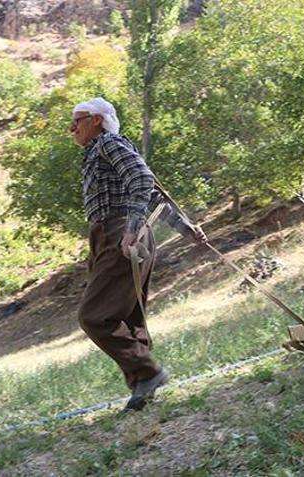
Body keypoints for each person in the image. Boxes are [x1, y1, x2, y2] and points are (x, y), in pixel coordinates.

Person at [70, 97, 207, 411]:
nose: (71, 128)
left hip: (121, 235)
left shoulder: (109, 143)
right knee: (129, 318)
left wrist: (131, 229)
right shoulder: (99, 150)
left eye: (77, 120)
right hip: (111, 236)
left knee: (94, 316)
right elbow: (153, 194)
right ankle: (144, 387)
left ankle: (148, 373)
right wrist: (184, 227)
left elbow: (143, 181)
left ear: (96, 120)